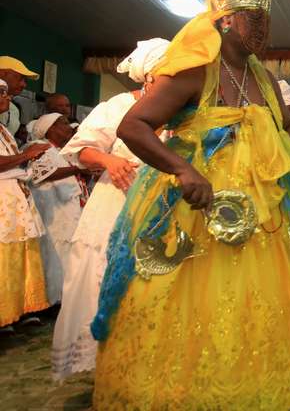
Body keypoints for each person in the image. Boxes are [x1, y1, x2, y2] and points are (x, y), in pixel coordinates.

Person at [90, 0, 290, 409]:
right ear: (225, 20)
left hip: (264, 204)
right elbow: (132, 127)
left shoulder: (262, 76)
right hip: (201, 204)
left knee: (269, 293)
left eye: (267, 20)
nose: (263, 29)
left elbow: (286, 126)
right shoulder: (195, 68)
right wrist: (182, 169)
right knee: (194, 294)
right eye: (253, 19)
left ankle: (255, 382)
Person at [51, 38, 170, 381]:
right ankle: (109, 366)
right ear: (146, 78)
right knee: (104, 278)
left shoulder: (179, 112)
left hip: (160, 208)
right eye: (164, 77)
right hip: (115, 203)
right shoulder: (117, 107)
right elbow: (81, 150)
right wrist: (108, 159)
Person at [0, 78, 50, 328]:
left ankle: (14, 312)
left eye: (7, 93)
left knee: (16, 257)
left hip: (13, 199)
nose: (7, 98)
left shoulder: (3, 128)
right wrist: (26, 155)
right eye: (1, 93)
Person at [25, 113, 83, 305]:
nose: (68, 128)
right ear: (51, 128)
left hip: (66, 209)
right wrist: (78, 169)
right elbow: (42, 174)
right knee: (52, 252)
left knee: (67, 251)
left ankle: (64, 297)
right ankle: (51, 299)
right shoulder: (39, 148)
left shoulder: (62, 151)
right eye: (64, 124)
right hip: (50, 209)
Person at [0, 56, 39, 136]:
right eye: (21, 78)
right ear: (2, 73)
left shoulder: (14, 110)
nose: (24, 85)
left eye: (25, 81)